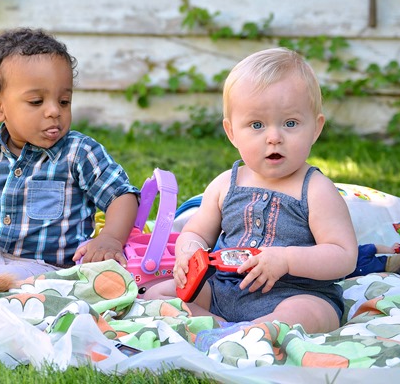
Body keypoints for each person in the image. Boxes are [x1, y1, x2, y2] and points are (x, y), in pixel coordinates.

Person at [144, 47, 358, 334]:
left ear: (315, 129)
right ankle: (220, 328)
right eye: (257, 125)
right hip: (223, 289)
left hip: (292, 293)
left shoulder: (316, 189)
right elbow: (195, 232)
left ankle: (250, 331)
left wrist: (286, 259)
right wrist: (188, 253)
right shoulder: (224, 184)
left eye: (290, 123)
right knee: (158, 295)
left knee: (311, 313)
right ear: (232, 132)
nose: (274, 137)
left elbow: (343, 255)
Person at [0, 28, 140, 282]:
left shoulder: (79, 153)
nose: (53, 111)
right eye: (37, 102)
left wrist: (110, 238)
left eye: (64, 101)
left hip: (47, 268)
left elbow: (122, 195)